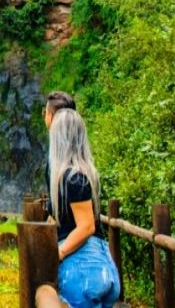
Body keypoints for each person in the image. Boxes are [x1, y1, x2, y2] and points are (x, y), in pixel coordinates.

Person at [46, 107, 120, 308]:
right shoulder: (80, 175)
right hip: (100, 266)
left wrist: (58, 254)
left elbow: (86, 226)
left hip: (83, 271)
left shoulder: (74, 178)